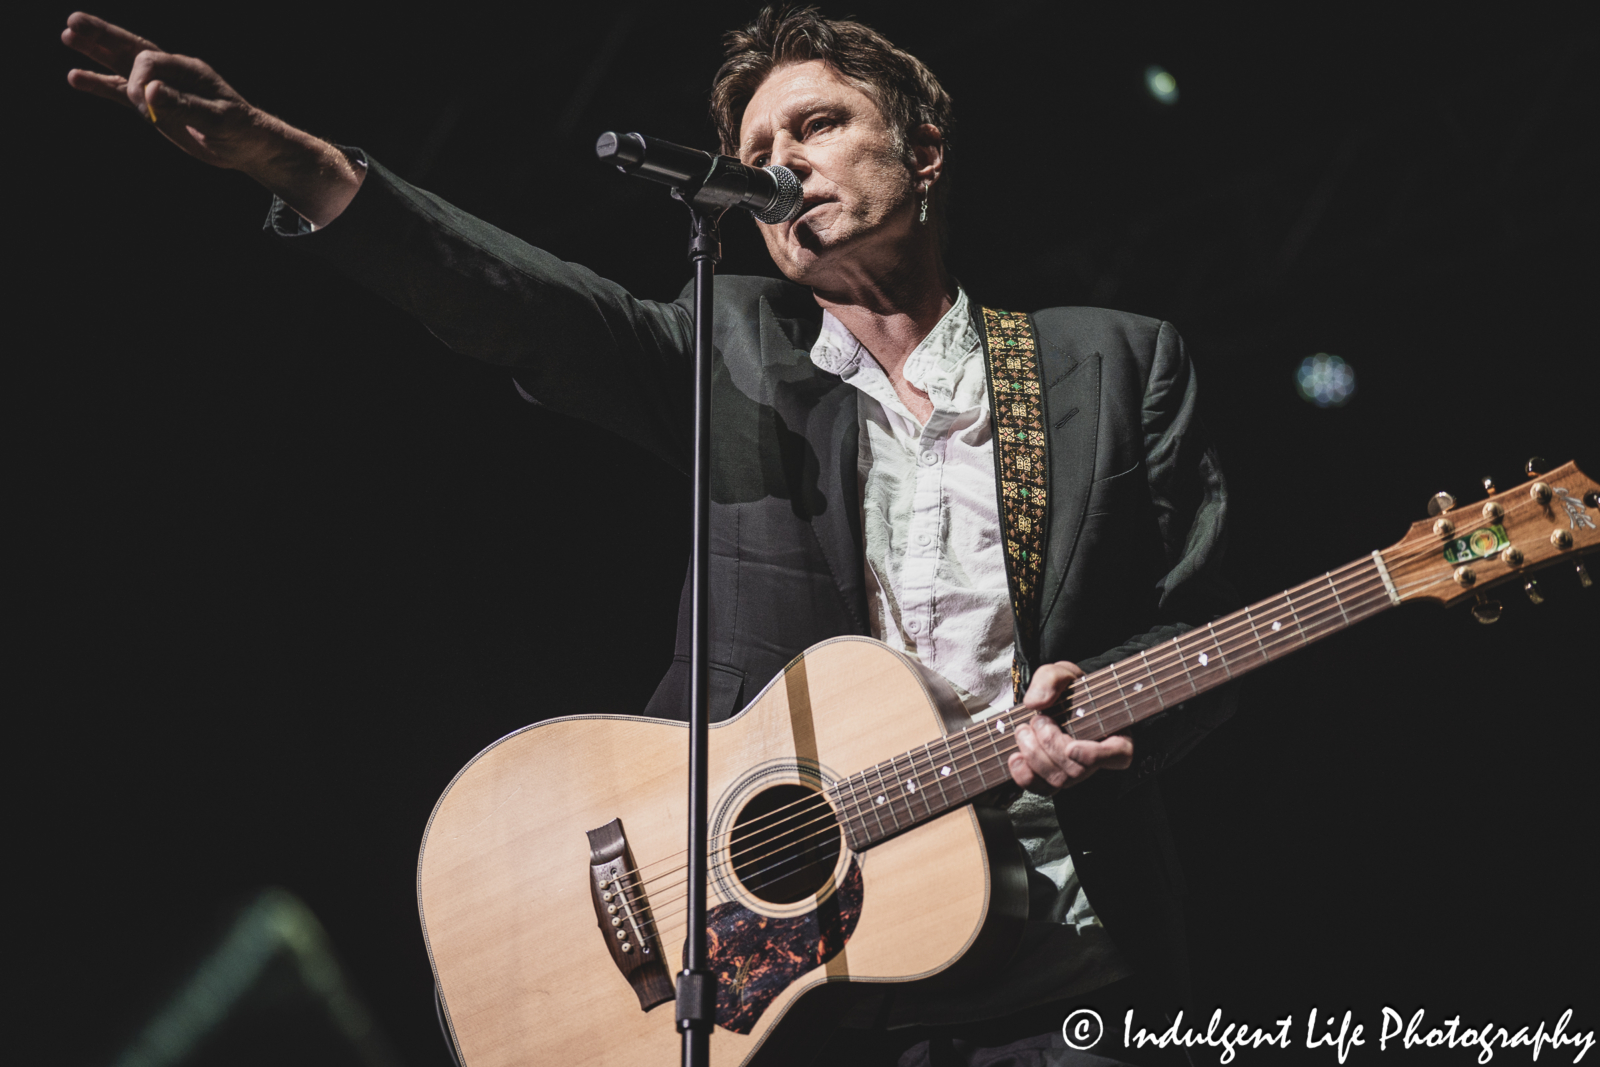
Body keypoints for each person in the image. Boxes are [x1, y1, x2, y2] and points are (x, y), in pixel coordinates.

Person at [63, 7, 1232, 1065]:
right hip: (782, 979)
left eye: (817, 123)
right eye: (761, 146)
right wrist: (299, 163)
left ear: (923, 150)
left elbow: (1198, 626)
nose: (780, 160)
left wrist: (1127, 720)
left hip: (1058, 964)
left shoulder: (1113, 363)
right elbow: (518, 304)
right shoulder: (728, 350)